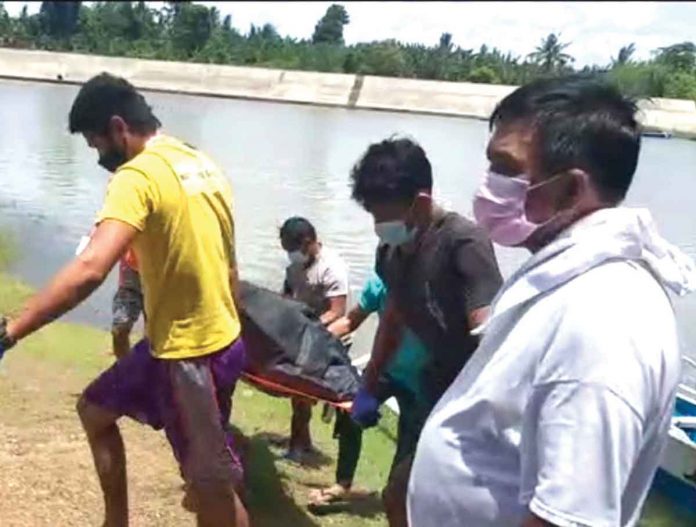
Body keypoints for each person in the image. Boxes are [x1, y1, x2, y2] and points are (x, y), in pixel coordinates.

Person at [407, 77, 696, 527]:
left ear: (571, 188)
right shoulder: (566, 285)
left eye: (504, 168)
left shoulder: (605, 319)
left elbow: (568, 518)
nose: (488, 185)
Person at [0, 73, 249, 527]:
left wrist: (12, 331)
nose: (100, 158)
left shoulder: (136, 177)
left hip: (190, 355)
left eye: (97, 146)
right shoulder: (199, 162)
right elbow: (230, 265)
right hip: (207, 340)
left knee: (210, 487)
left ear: (119, 128)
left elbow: (92, 267)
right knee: (95, 410)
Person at [348, 137, 504, 526]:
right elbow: (394, 318)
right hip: (427, 392)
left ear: (419, 202)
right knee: (401, 496)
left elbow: (492, 336)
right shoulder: (390, 253)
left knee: (412, 496)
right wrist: (369, 383)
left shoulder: (463, 244)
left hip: (469, 403)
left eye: (385, 216)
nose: (379, 227)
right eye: (373, 216)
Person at [309, 271, 429, 507]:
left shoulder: (435, 285)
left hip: (422, 379)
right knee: (349, 413)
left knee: (409, 443)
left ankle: (395, 496)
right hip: (383, 370)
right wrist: (314, 336)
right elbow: (351, 321)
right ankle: (343, 484)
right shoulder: (381, 282)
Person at [279, 216, 350, 463]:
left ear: (308, 242)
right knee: (295, 392)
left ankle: (299, 445)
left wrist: (310, 327)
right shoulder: (293, 268)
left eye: (293, 249)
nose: (290, 255)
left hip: (327, 334)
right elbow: (285, 298)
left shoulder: (332, 267)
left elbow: (337, 311)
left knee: (302, 392)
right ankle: (301, 440)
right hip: (300, 331)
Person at [111, 249, 142, 359]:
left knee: (156, 335)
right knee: (120, 327)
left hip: (161, 273)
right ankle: (126, 370)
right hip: (131, 274)